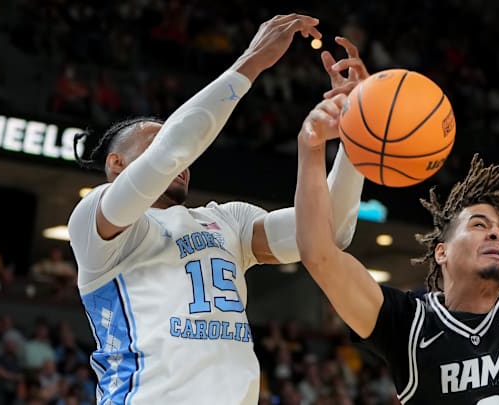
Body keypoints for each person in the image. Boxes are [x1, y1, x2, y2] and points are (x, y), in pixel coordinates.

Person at [295, 26, 499, 403]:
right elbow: (319, 256)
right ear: (441, 251)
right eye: (480, 225)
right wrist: (312, 145)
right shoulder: (406, 323)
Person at [67, 15, 367, 405]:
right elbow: (173, 150)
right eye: (152, 143)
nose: (183, 162)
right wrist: (253, 60)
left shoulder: (227, 221)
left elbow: (331, 233)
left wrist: (359, 135)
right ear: (117, 165)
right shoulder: (94, 221)